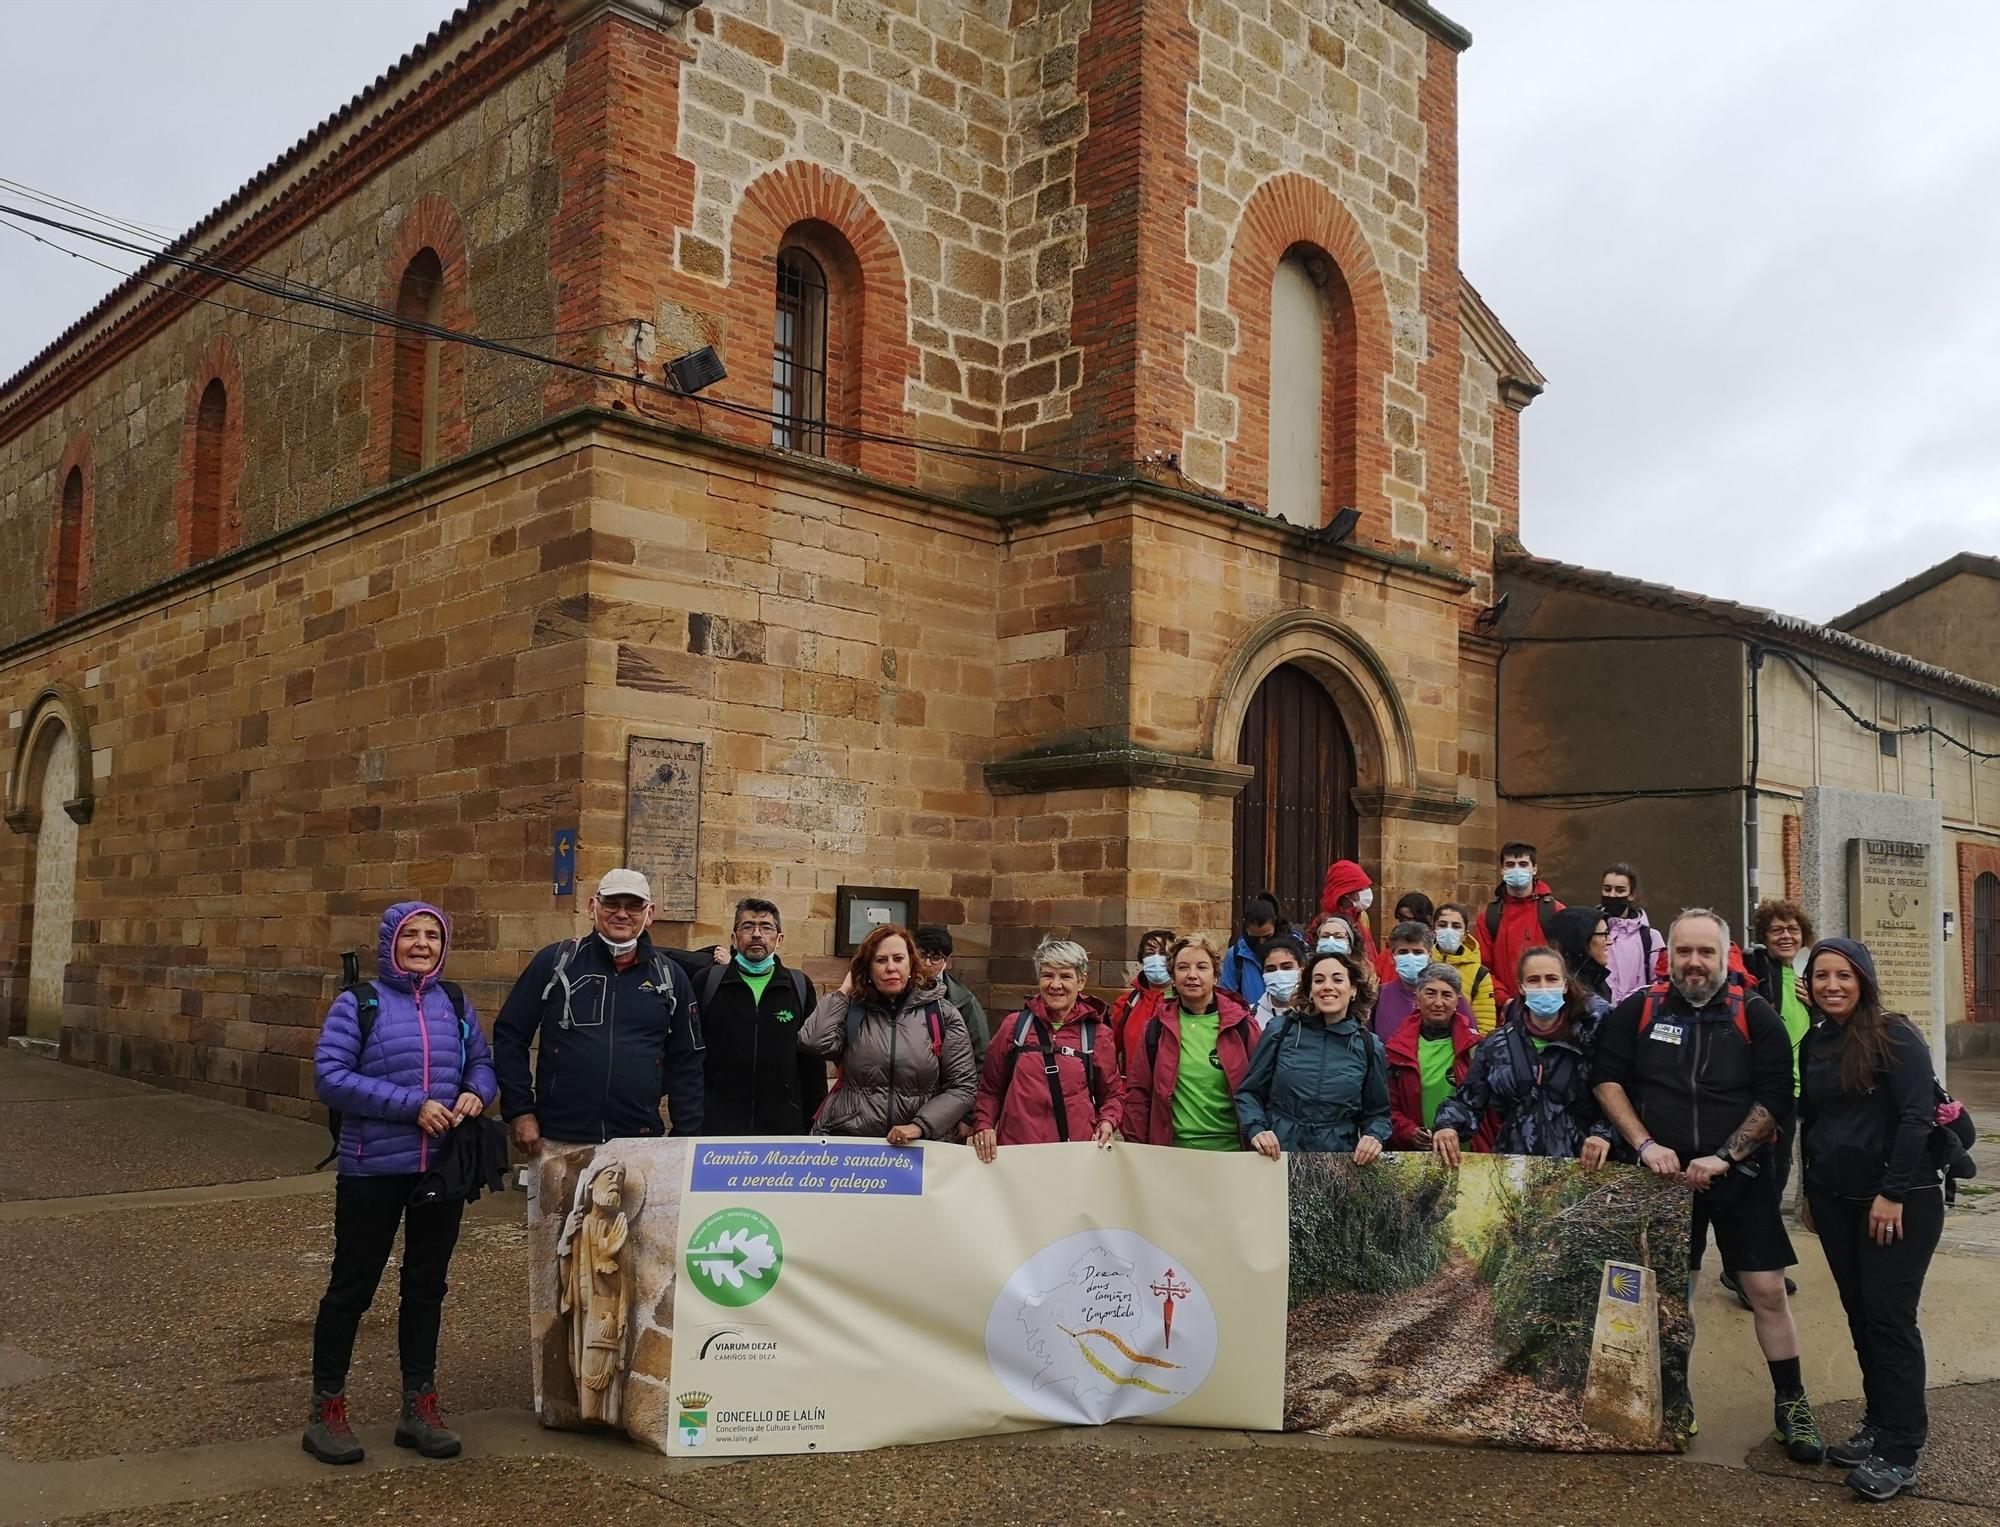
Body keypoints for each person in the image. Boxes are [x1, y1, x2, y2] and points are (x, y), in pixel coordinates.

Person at [1593, 908, 1823, 1462]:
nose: (1694, 963)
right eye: (1684, 952)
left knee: (1767, 1291)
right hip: (1664, 1183)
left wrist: (1724, 1157)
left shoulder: (1756, 1014)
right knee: (1677, 1296)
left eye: (1706, 952)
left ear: (1726, 956)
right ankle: (1675, 1399)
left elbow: (1776, 1099)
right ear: (1667, 955)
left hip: (1740, 1176)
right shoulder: (1640, 1009)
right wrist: (1646, 1145)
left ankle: (1792, 1403)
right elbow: (1606, 1079)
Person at [305, 902, 495, 1465]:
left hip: (440, 1168)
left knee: (426, 1286)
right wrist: (413, 1106)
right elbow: (330, 1078)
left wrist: (476, 1094)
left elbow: (481, 1064)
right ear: (390, 943)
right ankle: (327, 1409)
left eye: (432, 935)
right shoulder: (357, 1004)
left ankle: (419, 1404)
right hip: (373, 1168)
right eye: (410, 935)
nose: (421, 944)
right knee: (352, 1287)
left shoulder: (455, 1002)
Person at [1797, 937, 1946, 1503]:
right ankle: (1880, 1423)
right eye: (1822, 975)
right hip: (1835, 1201)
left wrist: (1893, 1193)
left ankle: (1903, 1448)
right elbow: (1812, 1123)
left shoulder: (1894, 1034)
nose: (1832, 985)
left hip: (1899, 1203)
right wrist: (1810, 1193)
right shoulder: (1814, 1040)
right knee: (1861, 1316)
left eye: (1844, 975)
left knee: (1889, 1319)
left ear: (1864, 980)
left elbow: (1916, 1118)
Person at [493, 869, 705, 1158]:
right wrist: (519, 1110)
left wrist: (684, 1137)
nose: (621, 913)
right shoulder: (556, 963)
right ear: (593, 907)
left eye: (633, 906)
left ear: (650, 913)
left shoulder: (670, 977)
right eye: (611, 903)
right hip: (558, 1139)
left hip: (638, 1142)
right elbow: (510, 1033)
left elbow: (688, 1060)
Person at [1718, 898, 1818, 1308]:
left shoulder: (1805, 977)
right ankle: (1742, 1268)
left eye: (1793, 930)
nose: (1786, 936)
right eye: (1777, 929)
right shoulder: (1755, 970)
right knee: (1754, 1180)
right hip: (1760, 1095)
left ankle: (1755, 1263)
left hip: (1793, 1094)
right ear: (1763, 935)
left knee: (1778, 1177)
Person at [1432, 945, 1612, 1165]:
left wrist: (1603, 1134)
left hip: (1580, 1166)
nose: (1543, 987)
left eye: (1552, 979)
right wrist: (1447, 1126)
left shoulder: (1591, 1037)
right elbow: (1470, 1101)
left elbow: (1617, 1097)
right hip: (1514, 1165)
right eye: (1534, 980)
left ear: (1565, 985)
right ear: (1522, 987)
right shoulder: (1497, 1044)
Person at [800, 923, 976, 1142]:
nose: (891, 967)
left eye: (898, 959)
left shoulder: (941, 1014)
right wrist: (844, 991)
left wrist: (920, 1126)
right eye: (881, 960)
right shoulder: (852, 1010)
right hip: (852, 1139)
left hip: (918, 1146)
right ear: (867, 969)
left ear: (912, 964)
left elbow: (963, 1087)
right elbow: (813, 1042)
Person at [969, 937, 1123, 1158]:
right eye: (1048, 975)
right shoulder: (1015, 1027)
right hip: (1016, 1153)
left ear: (1081, 981)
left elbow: (1112, 1095)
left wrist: (1108, 1121)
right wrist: (984, 1124)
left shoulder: (1097, 1034)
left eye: (1066, 976)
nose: (1056, 985)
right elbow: (990, 1088)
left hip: (1073, 1155)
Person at [1234, 947, 1390, 1162]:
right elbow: (1248, 1092)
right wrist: (1257, 1128)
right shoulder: (1281, 1031)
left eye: (1337, 980)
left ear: (1353, 989)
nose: (1327, 987)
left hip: (1337, 1159)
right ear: (1309, 990)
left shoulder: (1369, 1046)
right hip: (1277, 1155)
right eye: (1318, 980)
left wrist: (1374, 1136)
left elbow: (1378, 1113)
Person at [692, 897, 825, 1135]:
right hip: (717, 1128)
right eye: (747, 926)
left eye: (766, 927)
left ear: (779, 939)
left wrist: (814, 1126)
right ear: (734, 938)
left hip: (782, 1129)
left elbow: (811, 1065)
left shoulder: (798, 986)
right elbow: (689, 1058)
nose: (756, 934)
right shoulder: (707, 983)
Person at [1121, 934, 1262, 1149]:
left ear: (1215, 975)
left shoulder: (1242, 1026)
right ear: (1173, 976)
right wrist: (1137, 1148)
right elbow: (1139, 1094)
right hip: (1174, 1154)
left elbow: (1262, 1088)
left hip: (1233, 1153)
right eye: (1183, 967)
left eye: (1202, 967)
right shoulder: (1156, 1028)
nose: (1192, 975)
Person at [1386, 963, 1479, 1149]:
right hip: (1414, 1156)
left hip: (1468, 1155)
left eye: (1447, 995)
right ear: (1417, 998)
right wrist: (1409, 1131)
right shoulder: (1396, 1049)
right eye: (1430, 993)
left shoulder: (1475, 1047)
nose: (1438, 1002)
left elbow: (1481, 1104)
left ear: (1458, 1001)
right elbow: (1387, 1106)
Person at [1478, 842, 1562, 1007]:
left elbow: (1568, 962)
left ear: (1534, 869)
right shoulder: (1489, 917)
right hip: (1504, 1009)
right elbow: (1482, 967)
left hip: (1548, 1003)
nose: (1517, 869)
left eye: (1523, 864)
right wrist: (1504, 1000)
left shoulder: (1555, 911)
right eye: (1510, 865)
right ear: (1502, 870)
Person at [1372, 920, 1476, 1040]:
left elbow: (1469, 1040)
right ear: (1392, 957)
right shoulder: (1379, 996)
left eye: (1418, 952)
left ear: (1430, 956)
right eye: (1403, 952)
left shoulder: (1448, 995)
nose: (1410, 957)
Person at [911, 924, 991, 1065]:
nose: (927, 963)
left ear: (946, 961)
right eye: (922, 956)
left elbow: (981, 1055)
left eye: (936, 958)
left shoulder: (964, 1000)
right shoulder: (898, 991)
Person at [1110, 927, 1177, 1067]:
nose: (1157, 959)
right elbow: (1110, 1052)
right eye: (1150, 953)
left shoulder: (1187, 1001)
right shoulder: (1126, 1003)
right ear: (1142, 960)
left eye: (1164, 953)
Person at [1599, 862, 1664, 1004]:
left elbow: (1661, 981)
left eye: (1620, 890)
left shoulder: (1651, 937)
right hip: (1599, 1016)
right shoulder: (1590, 932)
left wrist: (1634, 1001)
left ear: (1631, 894)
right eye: (1607, 889)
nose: (1612, 895)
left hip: (1636, 1014)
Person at [1431, 903, 1498, 1035]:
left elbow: (1485, 1024)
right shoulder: (1422, 965)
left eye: (1456, 926)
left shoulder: (1480, 974)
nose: (1449, 931)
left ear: (1465, 934)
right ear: (1434, 932)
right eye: (1443, 925)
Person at [1219, 892, 1283, 1005]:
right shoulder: (1235, 955)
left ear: (1275, 922)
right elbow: (1227, 998)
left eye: (1267, 936)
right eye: (1254, 937)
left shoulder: (1292, 948)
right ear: (1245, 925)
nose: (1261, 942)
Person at [1318, 859, 1380, 965]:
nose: (1366, 893)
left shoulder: (1362, 917)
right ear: (1345, 894)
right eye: (1360, 890)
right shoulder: (1324, 924)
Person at [1548, 907, 1613, 1003]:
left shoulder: (1597, 979)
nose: (1610, 941)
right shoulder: (1564, 991)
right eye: (1604, 934)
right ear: (1582, 939)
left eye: (1608, 933)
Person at [1251, 933, 1309, 1031]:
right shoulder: (1250, 1016)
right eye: (1270, 969)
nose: (1279, 973)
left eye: (1287, 967)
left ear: (1301, 971)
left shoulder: (1314, 1013)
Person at [1380, 892, 1437, 983]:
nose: (1406, 924)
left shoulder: (1440, 954)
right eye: (1402, 919)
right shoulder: (1386, 955)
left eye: (1410, 919)